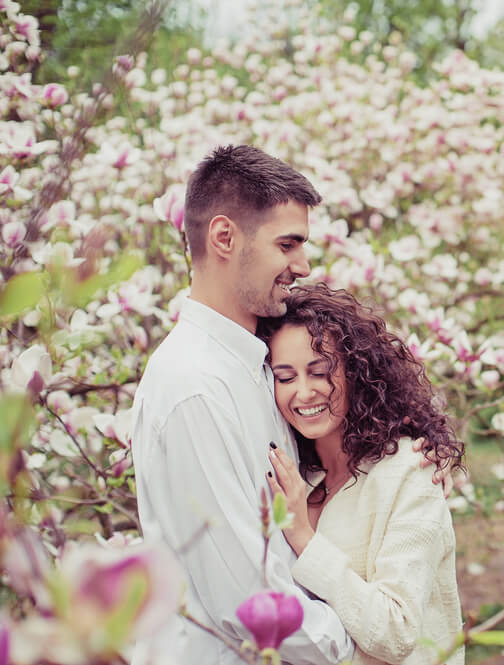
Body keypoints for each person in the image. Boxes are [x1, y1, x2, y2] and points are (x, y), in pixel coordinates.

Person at [130, 144, 355, 664]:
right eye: (288, 244)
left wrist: (410, 455)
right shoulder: (194, 387)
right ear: (225, 237)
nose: (302, 264)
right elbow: (247, 599)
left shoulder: (261, 366)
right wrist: (356, 644)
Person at [258, 284, 465, 665]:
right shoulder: (294, 474)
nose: (304, 393)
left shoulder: (411, 471)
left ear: (357, 373)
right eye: (285, 378)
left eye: (320, 372)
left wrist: (303, 536)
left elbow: (396, 632)